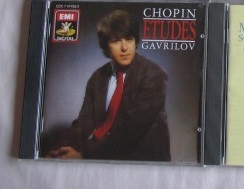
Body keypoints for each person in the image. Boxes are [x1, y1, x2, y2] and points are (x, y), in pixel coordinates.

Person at [47, 10, 170, 161]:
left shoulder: (154, 75)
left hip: (141, 161)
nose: (124, 48)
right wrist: (56, 152)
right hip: (101, 153)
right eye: (116, 41)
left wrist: (84, 155)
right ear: (106, 46)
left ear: (135, 42)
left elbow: (130, 132)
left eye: (129, 39)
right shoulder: (98, 77)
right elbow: (84, 123)